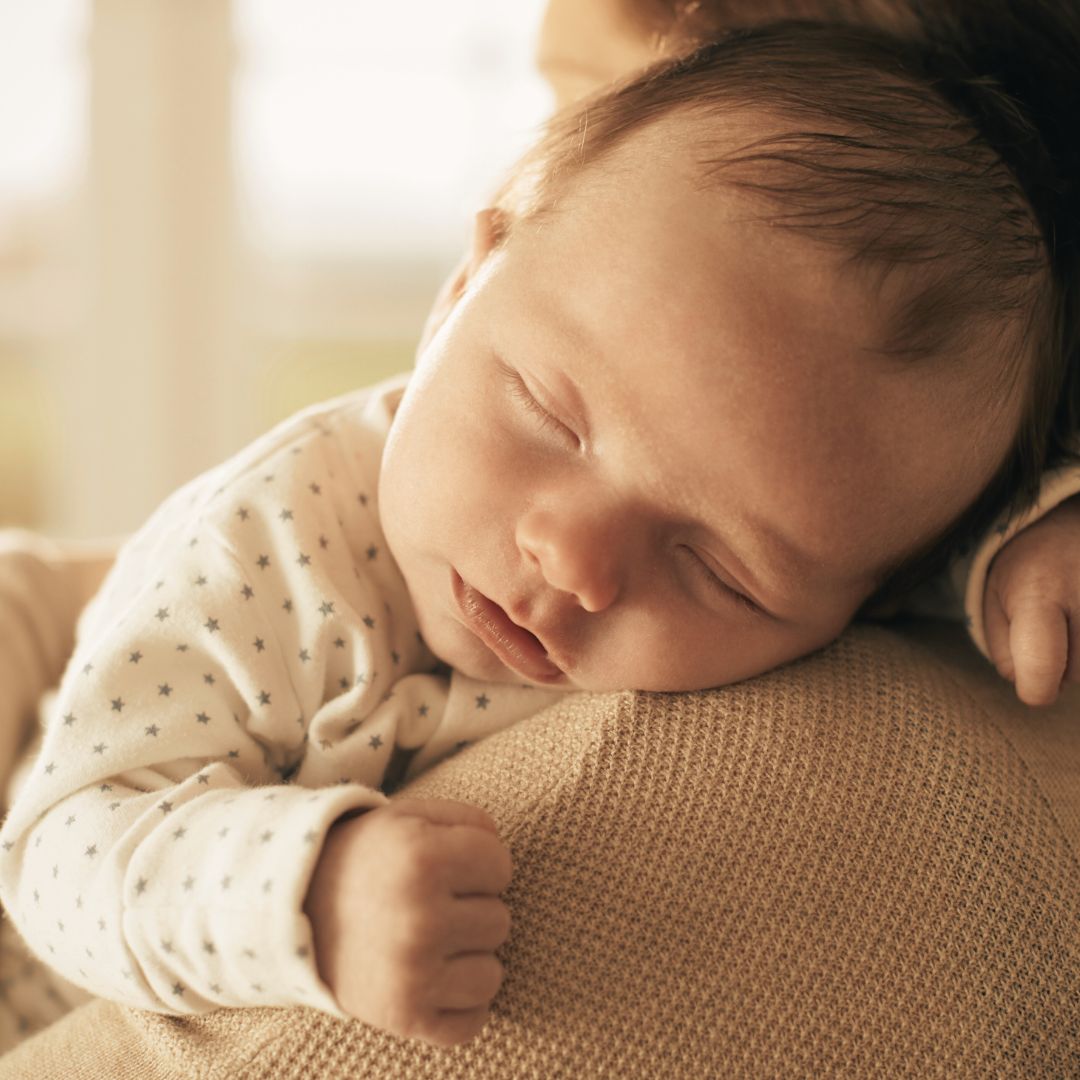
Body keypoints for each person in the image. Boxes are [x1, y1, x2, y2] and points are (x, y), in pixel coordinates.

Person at [0, 11, 1077, 1061]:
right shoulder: (269, 546)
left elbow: (911, 562)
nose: (577, 562)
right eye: (552, 418)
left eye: (714, 571)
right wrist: (307, 894)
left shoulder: (840, 535)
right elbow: (59, 849)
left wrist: (1024, 543)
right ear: (461, 289)